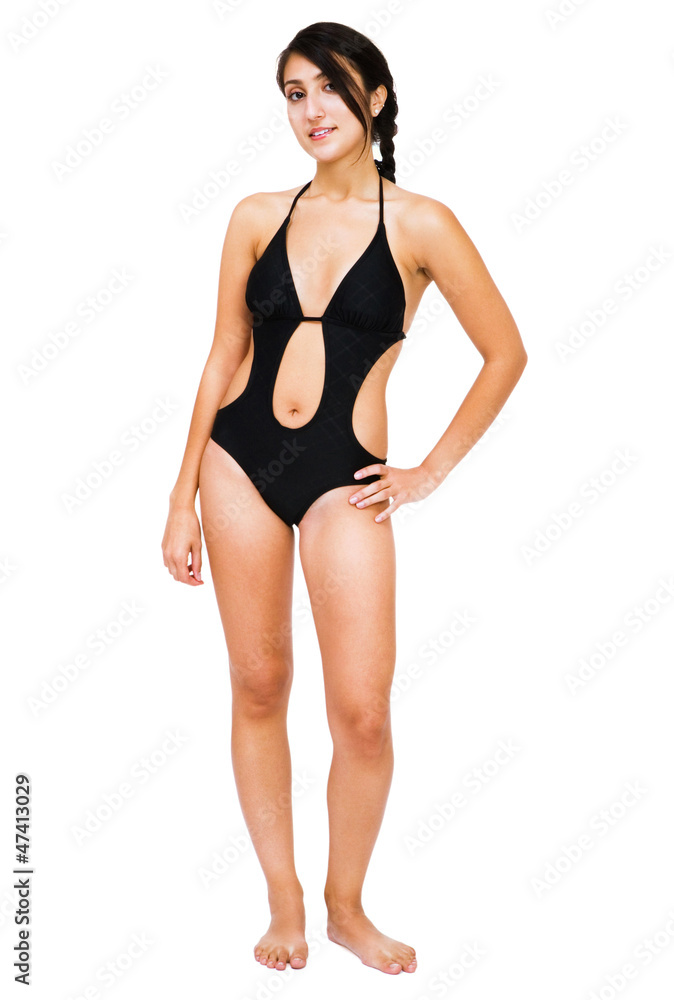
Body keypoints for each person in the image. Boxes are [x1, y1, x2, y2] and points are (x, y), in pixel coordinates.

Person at [161, 20, 527, 976]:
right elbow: (223, 355)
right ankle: (283, 897)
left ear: (376, 96)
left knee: (362, 712)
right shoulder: (254, 216)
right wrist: (179, 495)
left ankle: (345, 905)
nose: (312, 109)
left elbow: (505, 353)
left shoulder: (422, 223)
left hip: (346, 476)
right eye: (294, 93)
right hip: (238, 462)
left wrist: (428, 472)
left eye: (329, 86)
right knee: (258, 683)